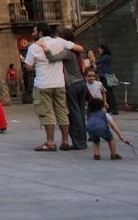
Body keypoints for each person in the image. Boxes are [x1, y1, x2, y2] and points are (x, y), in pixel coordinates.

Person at [24, 22, 82, 151]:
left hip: (43, 84)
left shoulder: (34, 47)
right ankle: (65, 141)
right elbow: (79, 48)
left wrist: (36, 65)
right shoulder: (59, 42)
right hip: (59, 83)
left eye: (34, 31)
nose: (32, 34)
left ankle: (50, 142)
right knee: (62, 112)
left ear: (40, 33)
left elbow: (28, 66)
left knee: (47, 113)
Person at [39, 28, 86, 148]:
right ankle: (82, 140)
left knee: (74, 114)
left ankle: (78, 142)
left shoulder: (66, 52)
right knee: (80, 113)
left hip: (72, 85)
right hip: (81, 83)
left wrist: (45, 48)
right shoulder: (75, 52)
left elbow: (52, 58)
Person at [95, 44, 118, 114]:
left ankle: (114, 109)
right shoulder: (105, 57)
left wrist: (94, 59)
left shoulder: (106, 57)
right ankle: (109, 109)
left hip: (105, 77)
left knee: (109, 93)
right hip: (103, 76)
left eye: (100, 49)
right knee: (107, 93)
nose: (98, 50)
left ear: (103, 49)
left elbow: (97, 62)